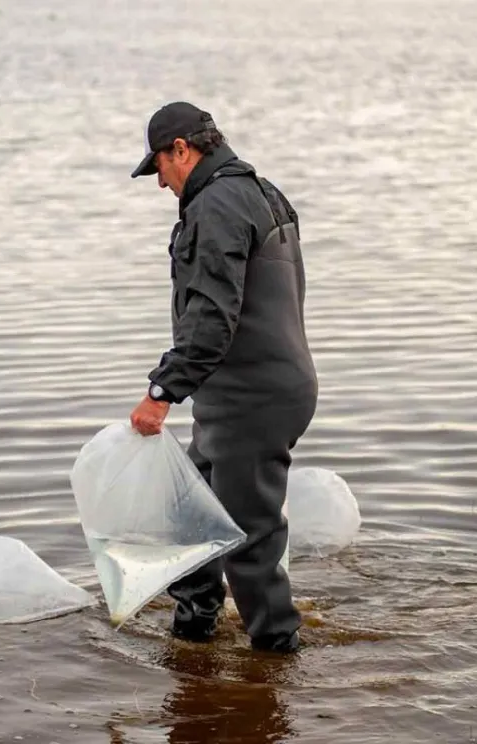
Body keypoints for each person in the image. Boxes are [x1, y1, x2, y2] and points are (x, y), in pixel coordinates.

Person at [128, 101, 319, 654]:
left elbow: (212, 315)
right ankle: (194, 632)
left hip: (251, 398)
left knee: (250, 541)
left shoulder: (215, 205)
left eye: (159, 167)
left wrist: (162, 391)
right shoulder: (262, 191)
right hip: (254, 389)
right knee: (192, 514)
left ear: (181, 149)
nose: (160, 182)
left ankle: (276, 662)